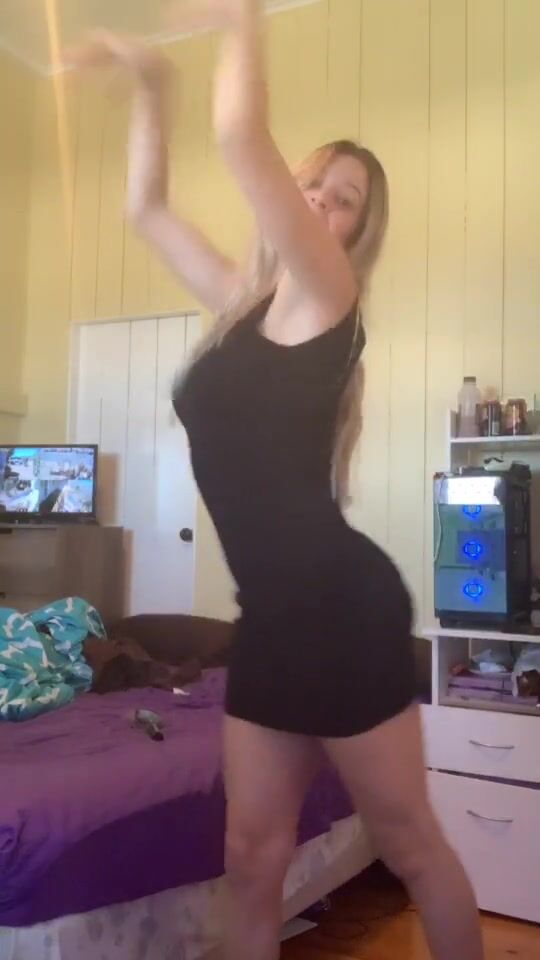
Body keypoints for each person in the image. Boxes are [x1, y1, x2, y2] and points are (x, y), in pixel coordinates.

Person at [68, 3, 484, 959]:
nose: (323, 205)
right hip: (270, 621)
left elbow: (237, 136)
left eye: (345, 201)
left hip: (343, 609)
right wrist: (152, 83)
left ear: (356, 233)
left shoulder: (331, 297)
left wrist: (240, 16)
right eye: (314, 186)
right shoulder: (241, 309)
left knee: (412, 846)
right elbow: (146, 211)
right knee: (251, 860)